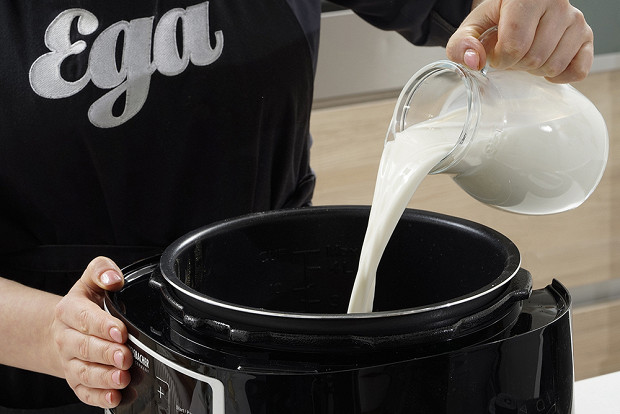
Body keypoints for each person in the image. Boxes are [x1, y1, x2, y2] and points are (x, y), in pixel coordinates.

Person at [0, 0, 593, 412]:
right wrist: (54, 335)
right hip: (59, 380)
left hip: (287, 357)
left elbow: (479, 16)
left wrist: (526, 20)